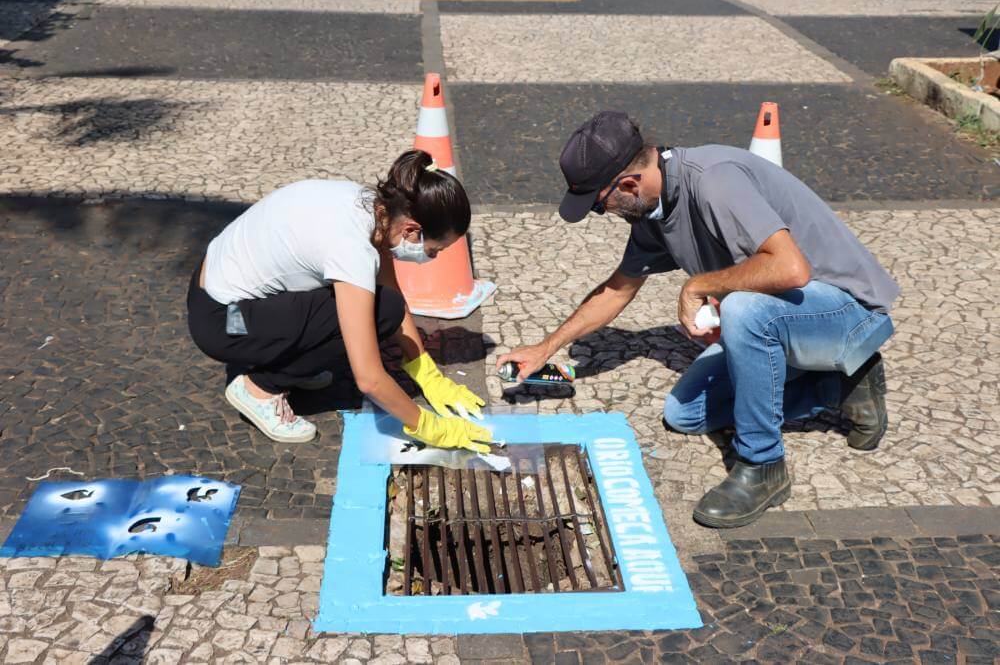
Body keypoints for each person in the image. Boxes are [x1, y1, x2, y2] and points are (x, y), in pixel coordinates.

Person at [498, 111, 899, 528]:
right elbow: (617, 289)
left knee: (744, 308)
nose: (606, 215)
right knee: (683, 414)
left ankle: (763, 465)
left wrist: (698, 286)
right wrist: (546, 348)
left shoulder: (714, 181)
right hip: (789, 318)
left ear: (628, 185)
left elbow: (791, 270)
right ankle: (840, 383)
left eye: (600, 207)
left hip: (848, 312)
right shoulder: (655, 208)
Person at [188, 149, 492, 452]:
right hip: (224, 323)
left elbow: (391, 289)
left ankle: (286, 358)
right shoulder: (352, 249)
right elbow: (369, 379)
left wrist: (424, 369)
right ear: (412, 230)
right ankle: (260, 387)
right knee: (374, 315)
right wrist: (430, 427)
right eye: (434, 250)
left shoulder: (375, 207)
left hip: (215, 289)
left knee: (379, 305)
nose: (433, 258)